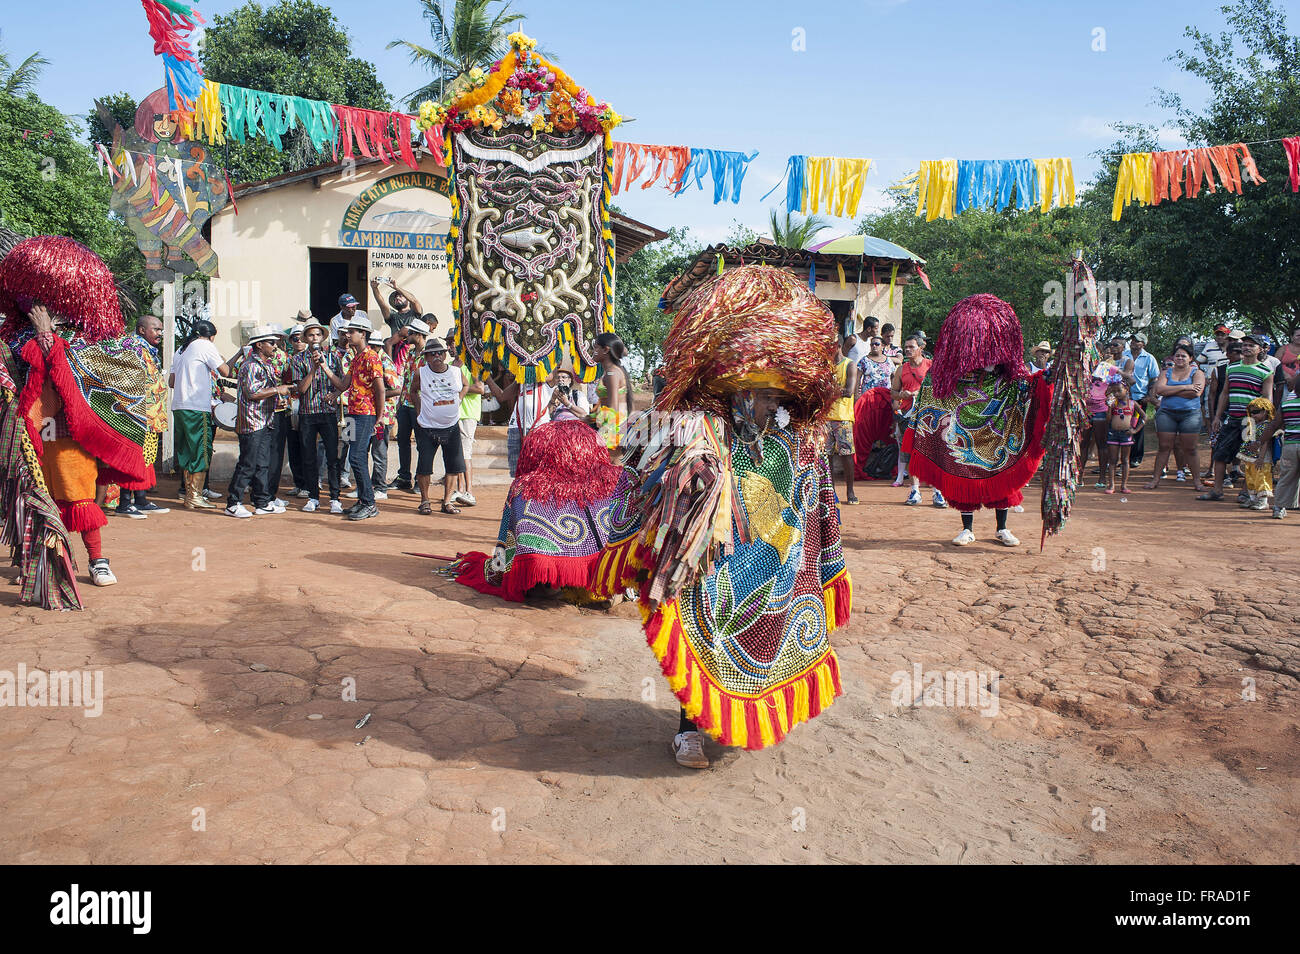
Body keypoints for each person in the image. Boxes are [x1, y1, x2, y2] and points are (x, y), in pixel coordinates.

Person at [588, 265, 851, 768]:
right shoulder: (700, 429)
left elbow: (812, 502)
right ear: (739, 391)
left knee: (762, 643)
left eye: (780, 398)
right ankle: (688, 730)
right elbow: (655, 464)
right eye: (765, 396)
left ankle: (733, 717)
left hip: (774, 569)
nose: (773, 406)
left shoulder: (793, 443)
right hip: (712, 567)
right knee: (704, 633)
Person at [0, 237, 167, 596]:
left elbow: (104, 386)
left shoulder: (88, 340)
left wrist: (48, 337)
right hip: (26, 436)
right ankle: (38, 561)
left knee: (79, 497)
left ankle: (97, 559)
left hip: (68, 435)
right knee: (32, 500)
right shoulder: (12, 338)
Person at [901, 294, 1051, 547]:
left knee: (1001, 478)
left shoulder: (1011, 377)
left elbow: (1031, 387)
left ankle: (1002, 528)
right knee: (963, 474)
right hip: (964, 437)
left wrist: (1052, 376)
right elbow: (933, 391)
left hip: (999, 434)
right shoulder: (954, 376)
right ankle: (967, 529)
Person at [318, 315, 385, 521]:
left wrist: (380, 416)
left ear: (363, 334)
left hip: (365, 414)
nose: (347, 335)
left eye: (352, 332)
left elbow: (380, 389)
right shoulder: (356, 358)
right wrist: (325, 367)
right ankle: (365, 500)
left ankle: (369, 503)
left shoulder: (371, 357)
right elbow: (343, 385)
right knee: (354, 457)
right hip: (353, 413)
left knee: (356, 457)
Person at [225, 325, 291, 518]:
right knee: (248, 464)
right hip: (252, 422)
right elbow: (252, 393)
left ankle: (262, 501)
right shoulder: (251, 365)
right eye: (271, 342)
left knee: (262, 464)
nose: (275, 346)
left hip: (264, 420)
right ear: (259, 344)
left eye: (276, 342)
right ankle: (233, 503)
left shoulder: (265, 364)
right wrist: (279, 390)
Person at [1201, 334, 1274, 502]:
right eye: (1245, 345)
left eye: (1251, 345)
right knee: (1220, 454)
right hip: (1232, 418)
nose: (1247, 348)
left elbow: (1267, 398)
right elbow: (1224, 393)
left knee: (1250, 457)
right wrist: (1217, 417)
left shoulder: (1266, 371)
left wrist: (1263, 421)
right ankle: (1217, 491)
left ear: (1260, 350)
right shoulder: (1231, 368)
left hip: (1251, 422)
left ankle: (1246, 493)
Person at [115, 315, 171, 518]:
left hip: (150, 415)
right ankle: (124, 503)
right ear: (141, 330)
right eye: (156, 329)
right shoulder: (132, 348)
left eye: (160, 330)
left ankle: (140, 500)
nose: (159, 333)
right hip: (135, 415)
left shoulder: (147, 350)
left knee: (145, 457)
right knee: (133, 457)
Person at [171, 319, 230, 509]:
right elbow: (226, 371)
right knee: (201, 450)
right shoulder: (205, 345)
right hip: (197, 407)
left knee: (187, 450)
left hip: (179, 406)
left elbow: (172, 382)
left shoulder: (180, 350)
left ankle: (189, 494)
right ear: (211, 336)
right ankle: (194, 495)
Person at [288, 319, 345, 514]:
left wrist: (336, 395)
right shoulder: (297, 360)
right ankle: (313, 497)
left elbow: (342, 384)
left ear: (322, 337)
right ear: (306, 338)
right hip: (307, 413)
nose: (314, 338)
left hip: (328, 412)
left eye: (317, 335)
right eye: (310, 335)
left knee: (332, 457)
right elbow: (301, 389)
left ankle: (335, 498)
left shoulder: (334, 357)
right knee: (309, 458)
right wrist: (313, 367)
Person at [410, 338, 467, 515]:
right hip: (427, 426)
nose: (436, 356)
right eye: (432, 353)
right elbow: (412, 391)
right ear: (426, 357)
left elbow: (466, 385)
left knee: (453, 466)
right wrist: (419, 410)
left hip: (451, 426)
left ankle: (447, 501)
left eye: (439, 353)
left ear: (445, 354)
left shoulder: (456, 372)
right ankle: (425, 500)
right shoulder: (421, 373)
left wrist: (459, 400)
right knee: (424, 466)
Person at [1145, 343, 1206, 490]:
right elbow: (1159, 390)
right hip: (1167, 413)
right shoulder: (1166, 372)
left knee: (1190, 448)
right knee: (1164, 446)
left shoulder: (1197, 373)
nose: (1179, 358)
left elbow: (1196, 393)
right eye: (1177, 355)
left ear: (1190, 358)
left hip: (1190, 414)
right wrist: (1186, 387)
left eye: (1183, 356)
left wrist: (1170, 390)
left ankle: (1197, 481)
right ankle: (1156, 480)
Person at [892, 336, 944, 507]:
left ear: (920, 348)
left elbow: (941, 387)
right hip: (908, 415)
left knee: (933, 453)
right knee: (912, 453)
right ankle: (915, 491)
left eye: (911, 347)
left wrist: (920, 393)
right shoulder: (901, 369)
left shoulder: (931, 366)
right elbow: (893, 392)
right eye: (906, 347)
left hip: (930, 415)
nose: (908, 350)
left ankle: (937, 492)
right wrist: (902, 395)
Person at [484, 368, 553, 477]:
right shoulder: (520, 381)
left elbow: (549, 375)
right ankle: (517, 493)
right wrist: (487, 378)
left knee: (537, 470)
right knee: (516, 470)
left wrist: (526, 368)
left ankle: (532, 494)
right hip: (516, 426)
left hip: (539, 427)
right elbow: (502, 396)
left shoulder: (546, 379)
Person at [389, 316, 430, 493]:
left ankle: (420, 480)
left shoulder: (430, 354)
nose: (408, 335)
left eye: (411, 333)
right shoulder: (411, 353)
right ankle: (404, 476)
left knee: (422, 444)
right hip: (405, 403)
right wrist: (399, 403)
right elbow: (406, 378)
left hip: (421, 405)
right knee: (403, 441)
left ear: (419, 335)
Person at [450, 329, 485, 508]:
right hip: (452, 414)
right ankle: (460, 489)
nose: (449, 347)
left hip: (467, 414)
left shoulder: (472, 365)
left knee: (465, 454)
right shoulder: (450, 365)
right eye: (448, 343)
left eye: (452, 343)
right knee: (456, 453)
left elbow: (480, 389)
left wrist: (459, 387)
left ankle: (469, 491)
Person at [1257, 383, 1299, 518]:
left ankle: (1278, 508)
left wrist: (1259, 441)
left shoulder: (1287, 405)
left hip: (1290, 446)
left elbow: (1273, 426)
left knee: (1286, 477)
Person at [1121, 331, 1159, 468]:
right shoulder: (1124, 355)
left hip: (1139, 398)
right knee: (1122, 426)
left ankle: (1136, 457)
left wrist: (1149, 396)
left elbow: (1154, 378)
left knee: (1137, 426)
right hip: (1123, 398)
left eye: (1136, 341)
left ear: (1143, 344)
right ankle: (1124, 457)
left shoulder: (1149, 358)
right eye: (1132, 341)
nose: (1133, 343)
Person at [594, 331, 632, 460]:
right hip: (611, 424)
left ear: (605, 350)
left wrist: (606, 435)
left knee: (612, 466)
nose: (593, 351)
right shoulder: (610, 372)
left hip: (613, 426)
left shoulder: (612, 373)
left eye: (595, 347)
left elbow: (614, 407)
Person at [830, 331, 858, 504]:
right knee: (826, 458)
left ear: (838, 346)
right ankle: (830, 492)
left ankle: (850, 491)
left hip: (843, 417)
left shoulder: (849, 364)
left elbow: (849, 392)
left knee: (846, 455)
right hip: (825, 418)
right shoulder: (825, 367)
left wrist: (827, 390)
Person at [1103, 380, 1142, 495]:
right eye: (1114, 391)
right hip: (1113, 434)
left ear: (1127, 390)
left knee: (1125, 460)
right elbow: (1108, 419)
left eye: (1119, 391)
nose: (1117, 394)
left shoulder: (1132, 404)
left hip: (1126, 435)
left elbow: (1143, 417)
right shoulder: (1113, 403)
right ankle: (1111, 485)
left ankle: (1124, 485)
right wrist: (1109, 407)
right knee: (1112, 460)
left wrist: (1135, 429)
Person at [1237, 397, 1275, 511]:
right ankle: (1253, 499)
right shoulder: (1254, 424)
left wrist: (1261, 458)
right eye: (1251, 412)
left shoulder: (1267, 425)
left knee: (1261, 477)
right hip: (1252, 457)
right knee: (1251, 477)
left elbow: (1265, 443)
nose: (1253, 415)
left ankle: (1263, 500)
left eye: (1256, 412)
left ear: (1265, 411)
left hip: (1262, 457)